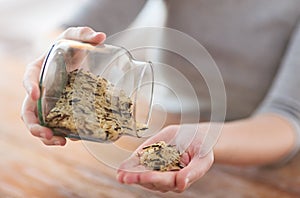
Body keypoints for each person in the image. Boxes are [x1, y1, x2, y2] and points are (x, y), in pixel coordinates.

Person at [21, 0, 300, 193]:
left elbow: (287, 118)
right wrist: (54, 62)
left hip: (256, 153)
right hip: (156, 124)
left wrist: (204, 140)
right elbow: (69, 28)